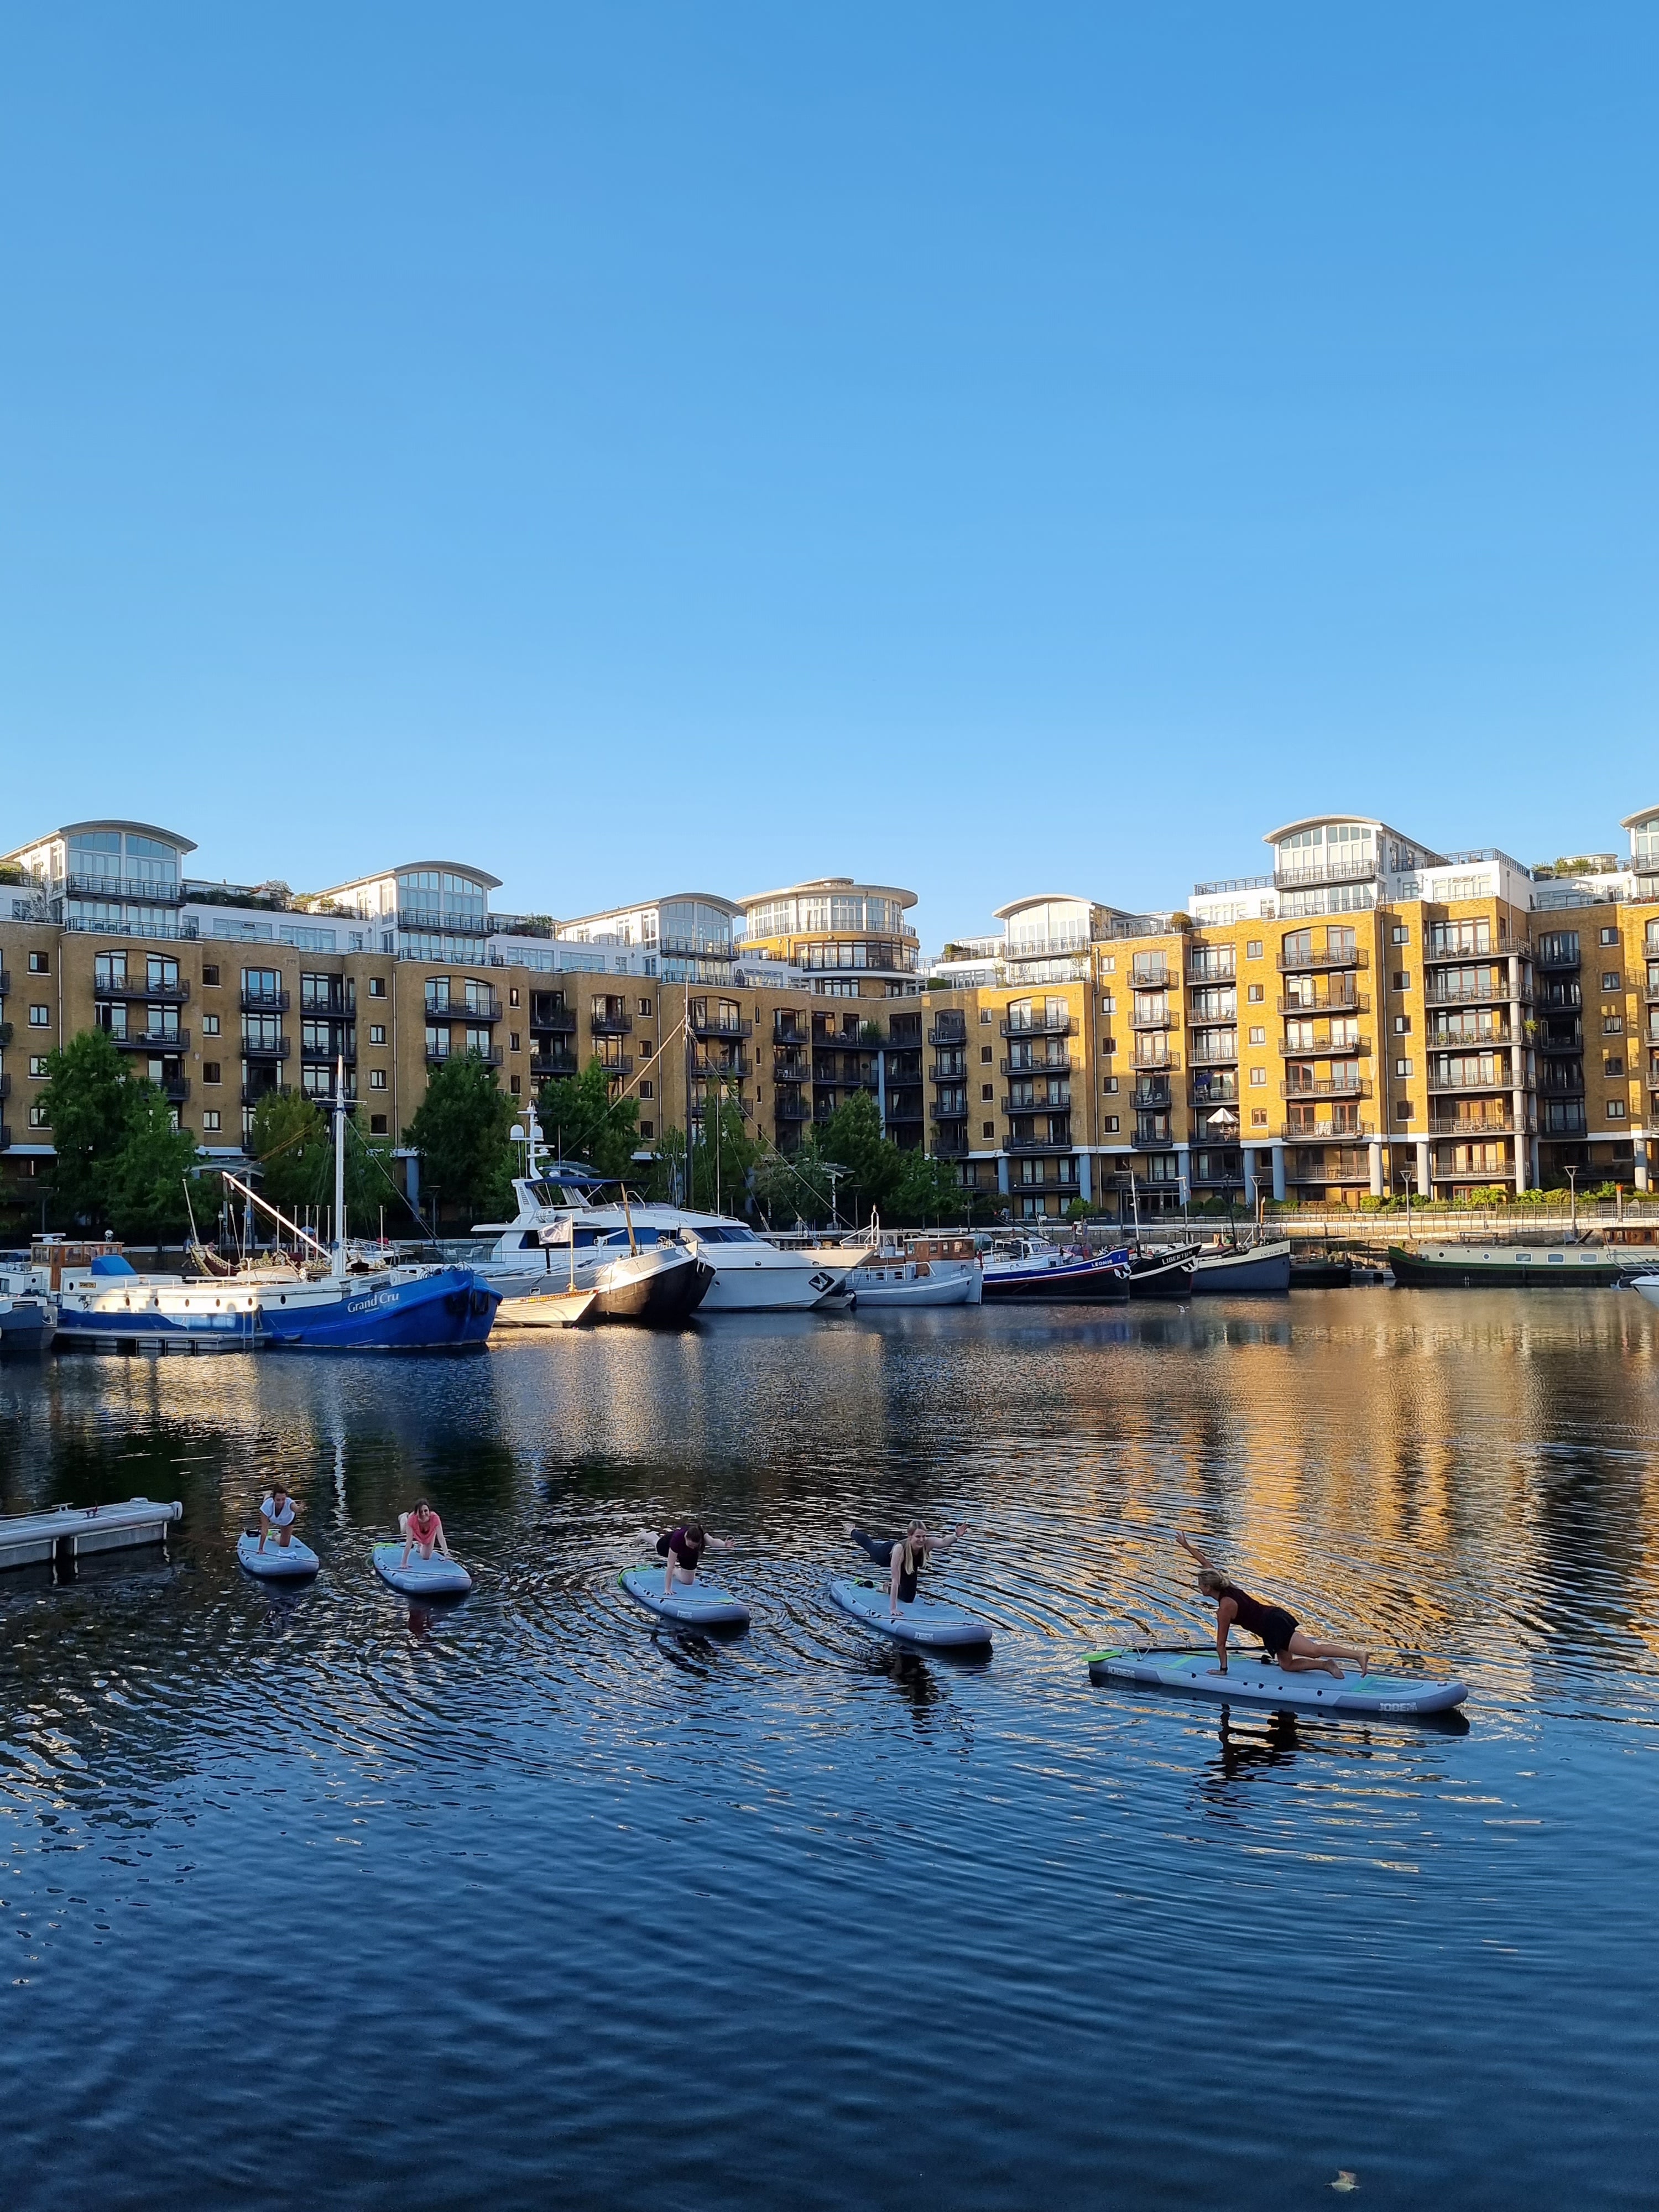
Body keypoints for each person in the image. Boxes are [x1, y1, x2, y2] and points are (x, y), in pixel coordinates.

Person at [1176, 1531, 1368, 1679]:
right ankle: (1327, 1665)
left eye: (1200, 1585)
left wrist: (1223, 1670)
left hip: (1273, 1625)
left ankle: (1358, 1655)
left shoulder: (1224, 1608)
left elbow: (1220, 1644)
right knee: (1287, 1665)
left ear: (1208, 1588)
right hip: (1272, 1619)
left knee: (1313, 1650)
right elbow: (1206, 1564)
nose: (1199, 1587)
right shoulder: (1228, 1586)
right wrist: (1185, 1546)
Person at [847, 1519, 966, 1622]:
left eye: (924, 1536)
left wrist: (956, 1535)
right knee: (870, 1546)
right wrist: (893, 1609)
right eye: (918, 1537)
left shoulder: (928, 1543)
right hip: (885, 1556)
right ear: (910, 1537)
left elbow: (944, 1542)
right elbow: (895, 1580)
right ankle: (852, 1531)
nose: (922, 1540)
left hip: (909, 1564)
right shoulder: (900, 1549)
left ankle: (886, 1588)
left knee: (909, 1598)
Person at [656, 1521, 733, 1592]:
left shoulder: (701, 1536)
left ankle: (676, 1571)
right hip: (668, 1545)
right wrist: (668, 1589)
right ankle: (650, 1536)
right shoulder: (677, 1539)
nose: (693, 1548)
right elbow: (670, 1566)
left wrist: (724, 1544)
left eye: (695, 1546)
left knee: (688, 1581)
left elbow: (712, 1541)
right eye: (691, 1545)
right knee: (659, 1548)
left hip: (688, 1554)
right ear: (686, 1538)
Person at [399, 1499, 451, 1568]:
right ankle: (404, 1517)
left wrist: (446, 1553)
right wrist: (404, 1563)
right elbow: (409, 1543)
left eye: (426, 1511)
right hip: (414, 1528)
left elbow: (441, 1537)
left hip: (428, 1533)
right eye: (420, 1512)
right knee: (403, 1530)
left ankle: (420, 1545)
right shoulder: (412, 1519)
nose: (423, 1514)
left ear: (429, 1511)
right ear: (416, 1513)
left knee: (426, 1557)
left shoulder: (435, 1518)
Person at [258, 1484, 297, 1552]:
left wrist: (300, 1509)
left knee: (284, 1544)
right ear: (274, 1499)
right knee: (266, 1502)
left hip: (286, 1520)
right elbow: (264, 1531)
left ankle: (275, 1536)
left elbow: (296, 1509)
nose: (281, 1502)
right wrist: (261, 1549)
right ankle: (267, 1495)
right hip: (272, 1514)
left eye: (283, 1499)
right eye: (278, 1500)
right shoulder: (267, 1506)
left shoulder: (289, 1503)